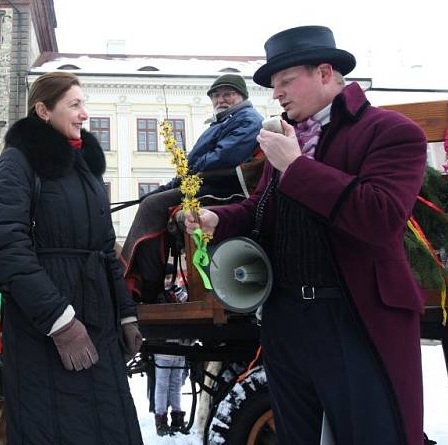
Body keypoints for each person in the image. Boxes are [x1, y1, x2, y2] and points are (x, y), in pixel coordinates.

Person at [185, 26, 427, 445]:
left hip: (355, 319)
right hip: (288, 320)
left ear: (325, 73)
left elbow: (381, 216)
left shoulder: (391, 132)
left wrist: (297, 168)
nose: (276, 94)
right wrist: (217, 219)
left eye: (285, 81)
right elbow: (259, 210)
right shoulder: (288, 140)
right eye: (273, 86)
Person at [0, 71, 144, 444]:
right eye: (74, 105)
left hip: (99, 323)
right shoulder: (19, 161)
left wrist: (126, 314)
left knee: (111, 424)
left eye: (83, 104)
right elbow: (3, 246)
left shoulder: (83, 167)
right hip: (47, 330)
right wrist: (60, 322)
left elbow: (104, 249)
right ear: (42, 110)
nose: (84, 114)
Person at [123, 74, 264, 303]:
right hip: (202, 183)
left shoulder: (247, 119)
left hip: (221, 188)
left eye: (227, 94)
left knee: (152, 206)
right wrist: (165, 187)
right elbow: (189, 168)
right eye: (216, 96)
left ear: (242, 96)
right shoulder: (222, 122)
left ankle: (145, 287)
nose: (221, 100)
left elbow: (225, 157)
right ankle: (145, 283)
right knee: (151, 200)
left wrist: (186, 173)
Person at [153, 353, 189, 435]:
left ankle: (161, 422)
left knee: (162, 387)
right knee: (175, 386)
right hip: (180, 352)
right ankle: (177, 420)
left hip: (163, 353)